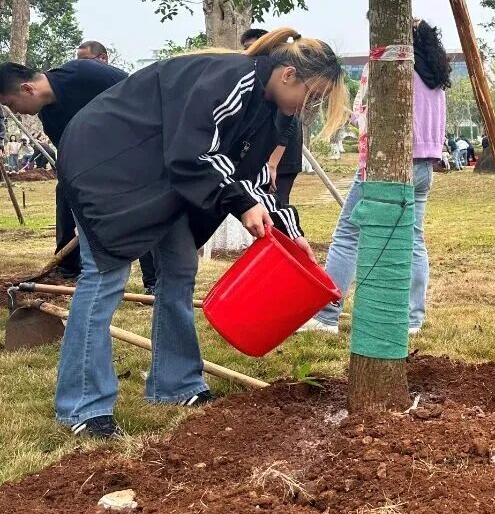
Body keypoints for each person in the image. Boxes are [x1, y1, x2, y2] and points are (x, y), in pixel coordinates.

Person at [50, 28, 348, 438]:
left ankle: (176, 383)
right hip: (107, 164)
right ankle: (82, 406)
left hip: (162, 178)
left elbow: (255, 176)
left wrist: (291, 232)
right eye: (312, 96)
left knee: (179, 268)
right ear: (288, 75)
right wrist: (241, 204)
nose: (309, 107)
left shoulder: (272, 110)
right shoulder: (230, 79)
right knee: (105, 276)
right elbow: (194, 153)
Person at [303, 19, 451, 334]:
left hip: (388, 164)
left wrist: (351, 117)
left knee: (348, 235)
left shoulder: (394, 68)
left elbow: (371, 118)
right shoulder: (436, 80)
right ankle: (412, 319)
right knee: (413, 239)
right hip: (424, 167)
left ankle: (327, 316)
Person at [0, 57, 157, 286]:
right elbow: (71, 155)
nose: (16, 111)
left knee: (145, 213)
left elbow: (144, 93)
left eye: (11, 104)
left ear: (27, 89)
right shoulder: (48, 114)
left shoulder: (86, 74)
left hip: (140, 151)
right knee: (66, 189)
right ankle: (69, 266)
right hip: (100, 166)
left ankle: (153, 280)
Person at [240, 28, 304, 206]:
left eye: (254, 46)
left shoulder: (283, 77)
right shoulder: (255, 77)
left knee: (275, 205)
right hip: (263, 155)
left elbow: (288, 121)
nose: (250, 51)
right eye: (246, 47)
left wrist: (273, 163)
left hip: (281, 156)